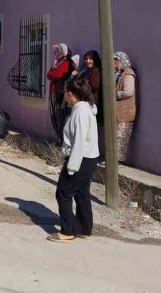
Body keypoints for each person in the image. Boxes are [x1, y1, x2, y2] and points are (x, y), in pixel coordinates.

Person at [49, 77, 100, 243]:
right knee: (81, 193)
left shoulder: (80, 112)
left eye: (65, 91)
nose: (63, 94)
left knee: (63, 193)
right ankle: (84, 228)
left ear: (70, 94)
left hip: (80, 159)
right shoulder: (84, 108)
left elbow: (79, 141)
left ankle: (68, 231)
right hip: (87, 158)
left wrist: (72, 167)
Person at [47, 43, 75, 140]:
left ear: (64, 51)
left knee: (60, 116)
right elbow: (48, 75)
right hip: (53, 91)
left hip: (60, 93)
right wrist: (52, 73)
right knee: (54, 114)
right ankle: (59, 138)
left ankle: (62, 139)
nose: (55, 53)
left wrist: (52, 73)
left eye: (58, 51)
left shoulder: (66, 62)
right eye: (55, 51)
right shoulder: (56, 62)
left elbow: (57, 75)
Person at [113, 51, 137, 163]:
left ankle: (118, 162)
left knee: (121, 137)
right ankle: (114, 160)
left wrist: (115, 95)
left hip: (125, 111)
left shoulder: (128, 74)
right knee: (116, 136)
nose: (113, 63)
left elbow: (128, 92)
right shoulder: (119, 73)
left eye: (116, 61)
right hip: (118, 111)